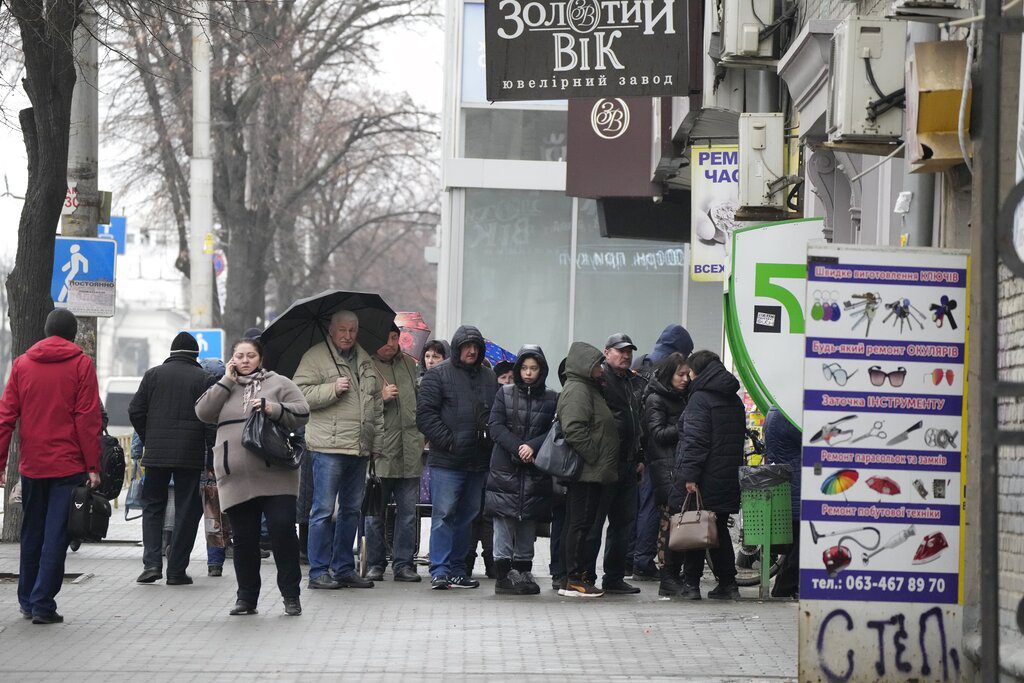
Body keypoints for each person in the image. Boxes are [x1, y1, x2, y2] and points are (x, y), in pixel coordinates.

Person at [0, 309, 102, 624]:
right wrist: (93, 465)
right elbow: (87, 418)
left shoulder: (22, 365)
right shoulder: (82, 365)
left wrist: (1, 464)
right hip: (67, 466)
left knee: (32, 531)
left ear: (45, 331)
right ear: (73, 334)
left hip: (32, 465)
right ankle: (43, 604)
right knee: (56, 533)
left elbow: (5, 417)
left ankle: (27, 600)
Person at [196, 338, 310, 615]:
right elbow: (202, 412)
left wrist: (274, 409)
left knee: (282, 530)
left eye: (250, 356)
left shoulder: (278, 382)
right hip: (235, 477)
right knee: (244, 539)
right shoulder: (223, 385)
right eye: (239, 356)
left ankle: (291, 595)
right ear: (232, 358)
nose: (245, 361)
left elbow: (303, 412)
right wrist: (225, 381)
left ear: (260, 358)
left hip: (276, 473)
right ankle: (246, 598)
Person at [294, 310, 383, 590]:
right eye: (342, 330)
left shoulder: (366, 359)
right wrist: (331, 388)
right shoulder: (314, 356)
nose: (347, 336)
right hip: (327, 447)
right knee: (321, 510)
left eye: (352, 331)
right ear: (331, 331)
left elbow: (375, 404)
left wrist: (376, 444)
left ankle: (344, 568)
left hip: (359, 448)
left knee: (351, 511)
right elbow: (299, 395)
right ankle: (318, 571)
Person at [129, 332, 217, 585]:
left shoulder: (153, 375)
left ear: (171, 352)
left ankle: (152, 564)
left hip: (156, 455)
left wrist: (150, 437)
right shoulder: (204, 378)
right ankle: (177, 570)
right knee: (187, 511)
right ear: (196, 355)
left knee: (153, 507)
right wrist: (210, 454)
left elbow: (135, 410)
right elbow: (210, 420)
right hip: (189, 456)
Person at [416, 325, 497, 590]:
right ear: (457, 347)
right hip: (447, 461)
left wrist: (487, 439)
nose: (472, 351)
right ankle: (439, 569)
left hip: (477, 461)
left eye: (476, 346)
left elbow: (494, 414)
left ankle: (458, 569)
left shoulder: (489, 377)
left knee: (467, 517)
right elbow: (425, 416)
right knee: (444, 515)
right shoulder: (438, 375)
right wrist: (449, 442)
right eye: (466, 346)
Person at [671, 350, 745, 600]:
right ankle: (728, 583)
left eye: (690, 372)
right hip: (726, 476)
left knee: (696, 528)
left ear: (698, 372)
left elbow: (695, 442)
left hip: (703, 476)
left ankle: (691, 585)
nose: (689, 377)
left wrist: (689, 476)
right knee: (719, 530)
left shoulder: (700, 399)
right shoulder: (733, 399)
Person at [485, 346, 557, 595]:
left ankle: (524, 568)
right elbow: (495, 426)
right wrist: (518, 447)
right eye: (524, 368)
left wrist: (532, 447)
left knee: (528, 518)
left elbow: (552, 430)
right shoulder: (504, 394)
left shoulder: (551, 397)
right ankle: (504, 573)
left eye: (533, 368)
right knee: (503, 520)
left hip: (534, 468)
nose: (528, 373)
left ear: (541, 370)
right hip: (506, 466)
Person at [584, 333, 646, 595]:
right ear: (606, 352)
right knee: (595, 523)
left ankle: (614, 577)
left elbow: (637, 424)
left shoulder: (632, 382)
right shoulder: (600, 380)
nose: (626, 355)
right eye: (620, 351)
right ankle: (586, 575)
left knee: (623, 525)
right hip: (605, 464)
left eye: (629, 351)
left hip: (629, 464)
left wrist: (640, 456)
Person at [556, 342, 619, 597]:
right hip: (585, 471)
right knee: (579, 524)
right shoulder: (578, 390)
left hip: (593, 471)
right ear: (585, 366)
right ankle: (573, 578)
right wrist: (593, 455)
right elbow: (573, 428)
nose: (601, 369)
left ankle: (576, 576)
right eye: (596, 364)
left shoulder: (588, 389)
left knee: (583, 523)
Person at [631, 325, 694, 581]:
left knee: (639, 507)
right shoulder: (662, 386)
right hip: (659, 456)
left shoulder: (641, 363)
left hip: (642, 451)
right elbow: (658, 429)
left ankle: (633, 557)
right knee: (652, 508)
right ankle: (643, 560)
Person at [365, 325, 425, 583]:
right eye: (385, 339)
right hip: (381, 450)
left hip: (410, 449)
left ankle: (403, 564)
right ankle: (375, 564)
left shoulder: (410, 365)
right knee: (376, 512)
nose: (390, 343)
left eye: (394, 338)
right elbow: (358, 405)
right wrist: (381, 397)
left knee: (408, 513)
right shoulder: (366, 366)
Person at [641, 352, 691, 597]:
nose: (684, 379)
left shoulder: (682, 397)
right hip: (665, 469)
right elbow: (657, 434)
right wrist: (685, 423)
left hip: (677, 467)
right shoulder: (656, 399)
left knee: (677, 524)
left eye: (687, 375)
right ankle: (667, 575)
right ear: (669, 374)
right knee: (669, 524)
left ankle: (673, 573)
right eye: (680, 374)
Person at [765, 405, 802, 599]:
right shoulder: (789, 416)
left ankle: (784, 586)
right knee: (800, 543)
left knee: (797, 542)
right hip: (797, 481)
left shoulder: (774, 411)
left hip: (788, 480)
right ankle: (784, 587)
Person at [199, 357, 228, 577]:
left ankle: (174, 556)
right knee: (215, 516)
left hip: (196, 465)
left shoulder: (199, 399)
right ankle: (215, 563)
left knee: (185, 514)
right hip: (218, 467)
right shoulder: (227, 398)